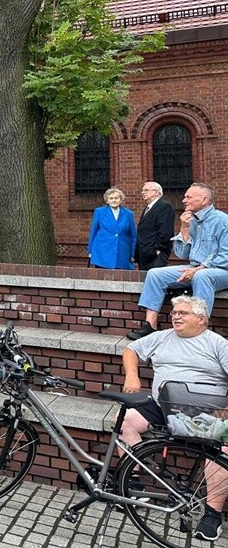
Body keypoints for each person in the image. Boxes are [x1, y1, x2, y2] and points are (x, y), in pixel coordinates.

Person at [120, 295, 228, 541]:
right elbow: (130, 350)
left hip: (206, 411)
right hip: (164, 407)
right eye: (174, 313)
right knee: (125, 419)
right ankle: (132, 485)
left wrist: (225, 409)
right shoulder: (161, 337)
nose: (176, 316)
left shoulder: (218, 344)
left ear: (201, 319)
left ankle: (212, 515)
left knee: (225, 445)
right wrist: (132, 376)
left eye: (183, 313)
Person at [127, 183, 228, 340]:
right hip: (195, 267)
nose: (184, 200)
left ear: (204, 200)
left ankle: (198, 329)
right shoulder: (191, 220)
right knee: (154, 274)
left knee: (202, 276)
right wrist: (184, 229)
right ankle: (150, 325)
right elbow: (182, 254)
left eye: (189, 197)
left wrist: (199, 269)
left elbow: (225, 256)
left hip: (221, 270)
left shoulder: (222, 220)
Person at [88, 187, 137, 269]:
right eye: (111, 198)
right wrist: (90, 250)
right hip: (103, 251)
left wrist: (133, 253)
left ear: (121, 200)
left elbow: (133, 235)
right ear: (107, 200)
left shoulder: (129, 214)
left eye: (116, 198)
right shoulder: (99, 212)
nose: (114, 200)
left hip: (122, 252)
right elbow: (93, 231)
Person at [136, 181, 175, 271]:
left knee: (154, 277)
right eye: (142, 190)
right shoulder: (148, 208)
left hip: (155, 254)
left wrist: (158, 249)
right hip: (145, 253)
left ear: (156, 192)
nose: (143, 192)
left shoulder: (164, 206)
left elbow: (165, 231)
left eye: (146, 190)